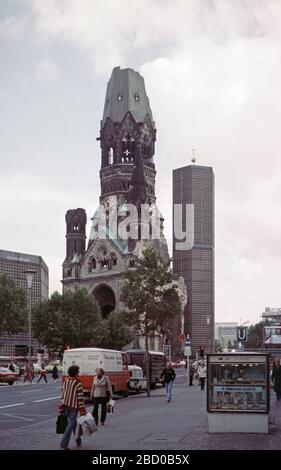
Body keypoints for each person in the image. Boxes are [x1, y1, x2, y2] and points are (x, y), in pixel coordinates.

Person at [59, 365, 87, 450]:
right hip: (74, 406)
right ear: (75, 373)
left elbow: (62, 394)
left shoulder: (66, 381)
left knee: (74, 424)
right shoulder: (78, 383)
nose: (79, 373)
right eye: (78, 372)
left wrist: (61, 406)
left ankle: (78, 440)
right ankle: (63, 443)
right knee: (70, 425)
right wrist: (82, 410)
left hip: (66, 405)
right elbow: (80, 398)